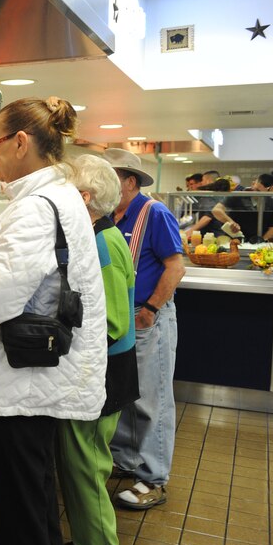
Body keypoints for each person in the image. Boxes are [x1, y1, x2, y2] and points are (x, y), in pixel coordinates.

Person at [0, 97, 106, 545]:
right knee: (35, 502)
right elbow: (32, 278)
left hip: (22, 384)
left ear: (20, 142)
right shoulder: (57, 195)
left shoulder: (35, 206)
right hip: (34, 378)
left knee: (21, 516)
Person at [56, 153, 138, 545]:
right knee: (81, 469)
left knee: (86, 470)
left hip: (103, 374)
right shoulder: (102, 235)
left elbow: (113, 323)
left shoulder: (102, 243)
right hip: (103, 371)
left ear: (85, 197)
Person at [102, 148, 185, 510]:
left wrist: (150, 309)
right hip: (122, 318)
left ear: (130, 181)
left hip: (148, 318)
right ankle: (127, 459)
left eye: (110, 179)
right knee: (124, 393)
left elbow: (175, 267)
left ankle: (154, 478)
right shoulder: (110, 215)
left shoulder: (154, 213)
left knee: (153, 399)